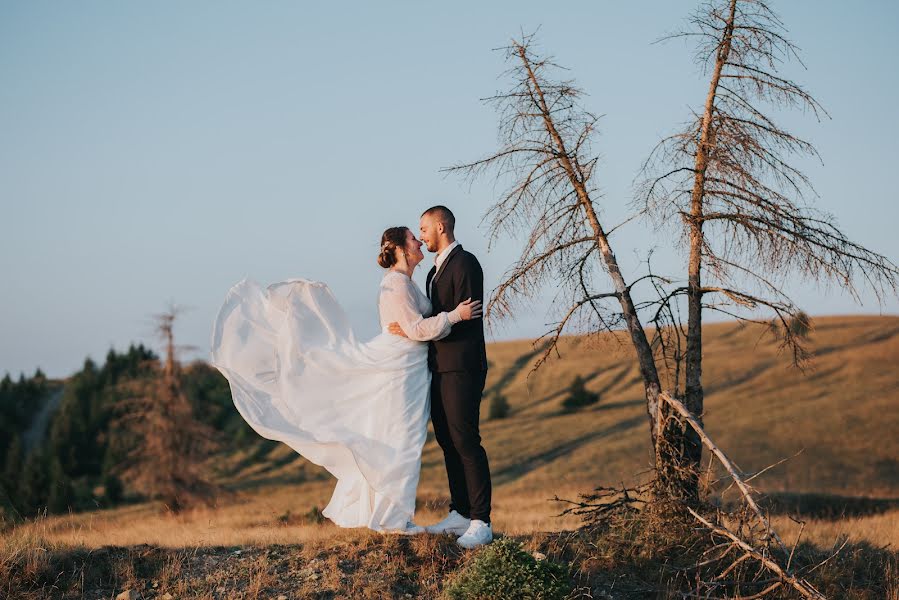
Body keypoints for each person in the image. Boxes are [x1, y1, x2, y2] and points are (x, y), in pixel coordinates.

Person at [210, 225, 481, 535]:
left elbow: (413, 328)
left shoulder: (406, 283)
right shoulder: (396, 286)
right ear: (401, 249)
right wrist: (454, 316)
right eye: (413, 238)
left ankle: (389, 515)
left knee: (401, 438)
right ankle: (393, 520)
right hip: (400, 372)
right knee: (401, 439)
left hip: (410, 368)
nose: (420, 241)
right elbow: (417, 330)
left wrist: (419, 326)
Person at [388, 206, 493, 549]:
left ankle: (481, 521)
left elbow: (462, 318)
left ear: (442, 226)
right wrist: (411, 332)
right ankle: (460, 512)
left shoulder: (466, 263)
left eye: (424, 228)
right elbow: (435, 319)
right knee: (447, 442)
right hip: (439, 367)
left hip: (462, 365)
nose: (421, 236)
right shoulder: (433, 274)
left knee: (465, 440)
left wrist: (418, 331)